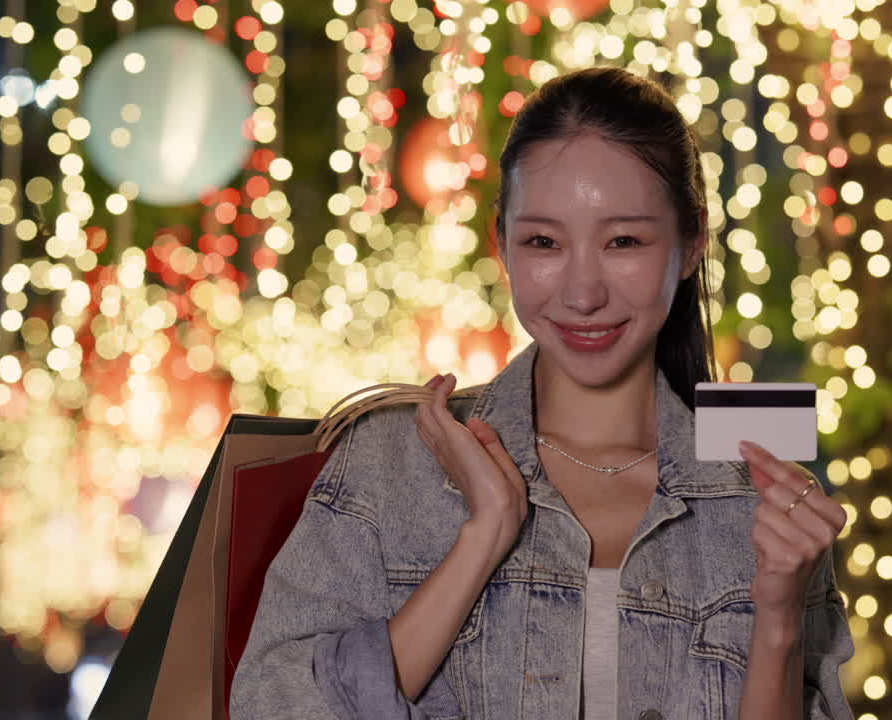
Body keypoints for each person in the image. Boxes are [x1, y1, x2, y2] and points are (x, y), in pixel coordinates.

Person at [231, 65, 854, 719]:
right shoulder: (391, 463)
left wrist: (779, 620)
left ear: (692, 242)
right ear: (501, 242)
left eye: (623, 241)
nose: (583, 294)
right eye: (543, 242)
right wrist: (484, 535)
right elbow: (269, 708)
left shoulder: (752, 492)